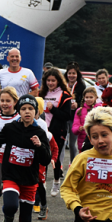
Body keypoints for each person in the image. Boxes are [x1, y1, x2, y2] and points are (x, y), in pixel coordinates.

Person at [0, 94, 51, 222]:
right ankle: (8, 217)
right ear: (18, 112)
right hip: (11, 176)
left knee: (25, 219)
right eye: (23, 109)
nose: (27, 112)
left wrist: (39, 146)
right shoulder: (11, 128)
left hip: (30, 180)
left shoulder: (40, 132)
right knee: (10, 205)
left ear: (36, 112)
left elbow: (46, 160)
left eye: (30, 109)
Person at [40, 67, 73, 195]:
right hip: (43, 129)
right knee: (42, 157)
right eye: (48, 80)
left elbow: (67, 116)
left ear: (58, 81)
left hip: (58, 131)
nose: (50, 83)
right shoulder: (42, 94)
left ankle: (56, 182)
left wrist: (53, 109)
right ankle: (42, 183)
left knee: (56, 157)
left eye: (53, 80)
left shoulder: (64, 95)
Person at [0, 86, 20, 206]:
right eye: (2, 101)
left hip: (15, 156)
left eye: (8, 101)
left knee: (15, 192)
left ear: (15, 102)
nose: (4, 104)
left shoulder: (19, 118)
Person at [65, 63, 87, 161]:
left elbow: (84, 100)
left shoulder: (81, 86)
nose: (71, 75)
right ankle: (60, 166)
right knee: (62, 142)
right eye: (69, 73)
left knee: (72, 143)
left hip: (75, 117)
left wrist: (77, 104)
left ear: (77, 74)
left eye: (74, 73)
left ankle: (72, 162)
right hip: (64, 116)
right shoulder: (63, 84)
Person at [72, 87, 100, 157]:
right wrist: (79, 128)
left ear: (96, 97)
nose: (89, 99)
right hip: (83, 143)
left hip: (97, 142)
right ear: (84, 98)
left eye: (91, 97)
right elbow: (74, 129)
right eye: (87, 97)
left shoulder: (100, 109)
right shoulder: (79, 110)